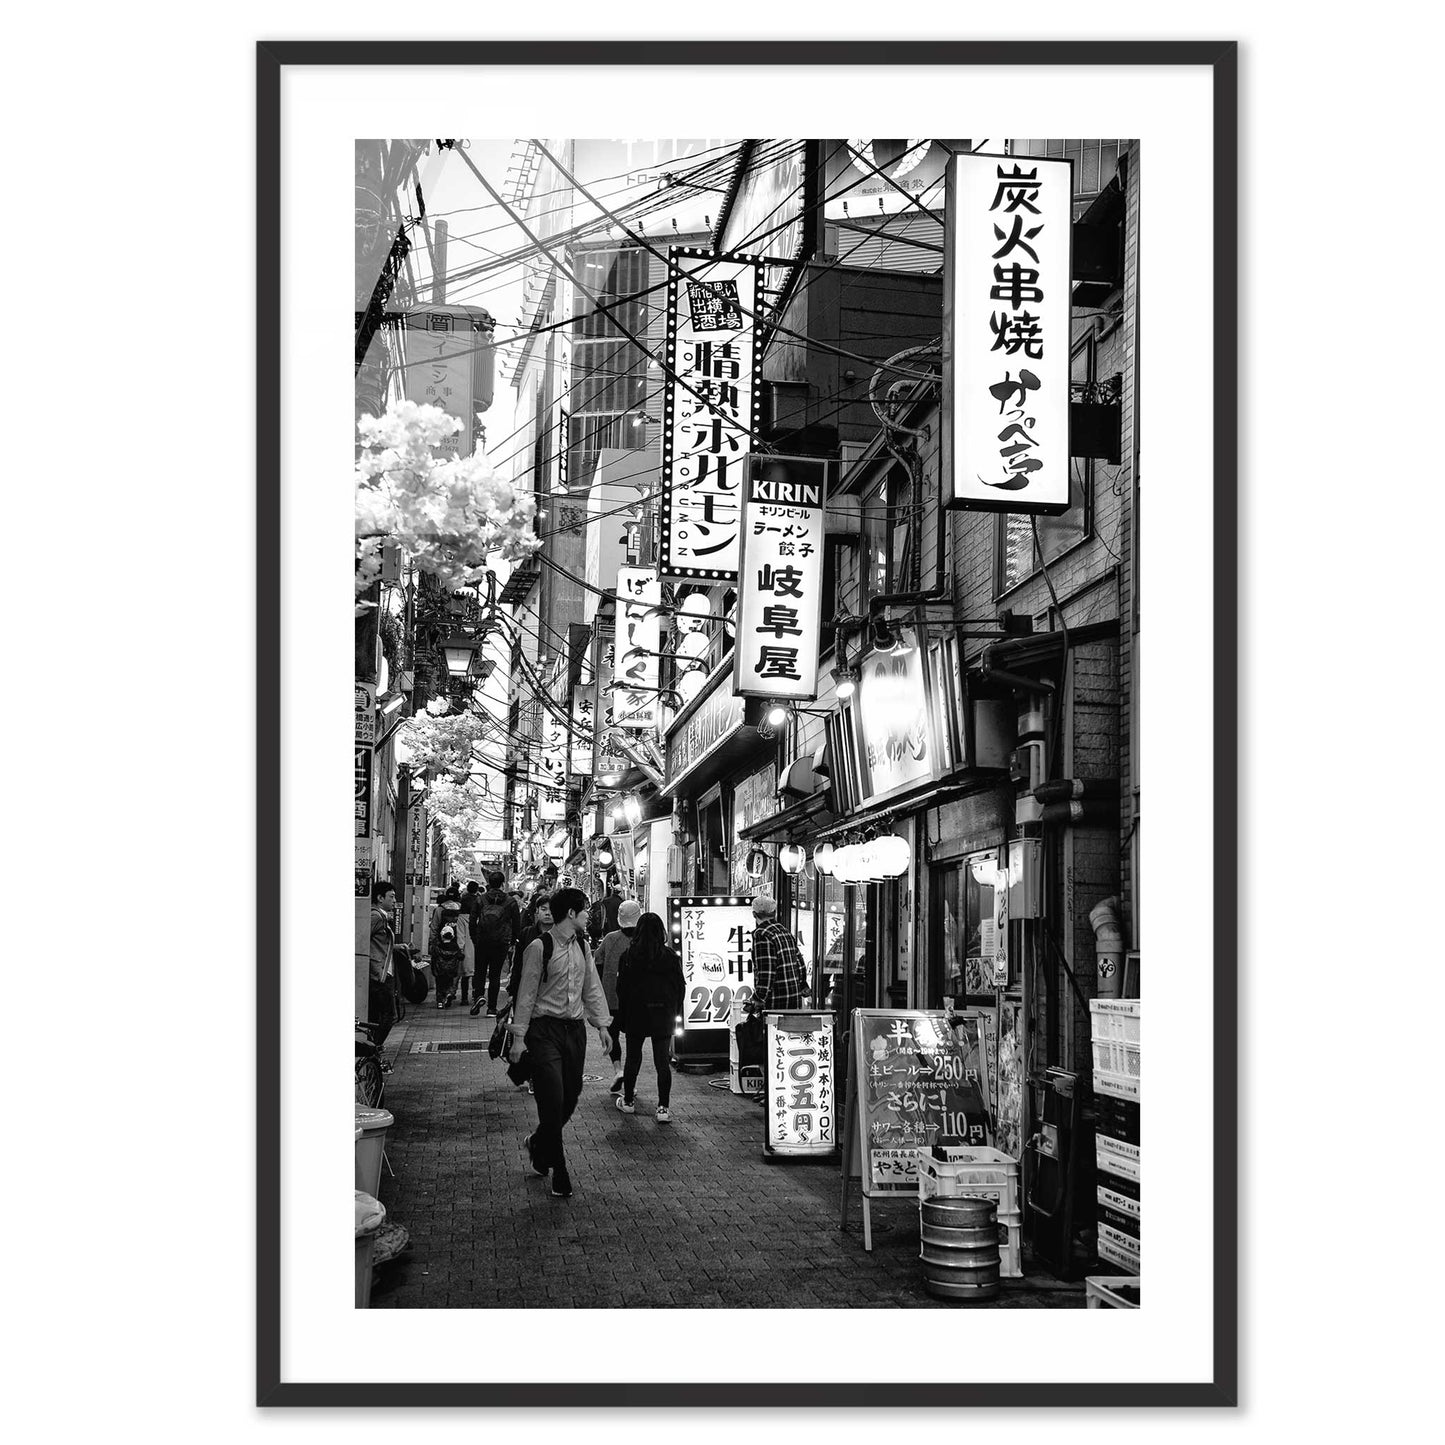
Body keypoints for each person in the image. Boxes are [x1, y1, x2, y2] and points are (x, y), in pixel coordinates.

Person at [507, 887, 611, 1199]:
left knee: (571, 1096)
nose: (588, 915)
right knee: (552, 1100)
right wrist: (518, 1038)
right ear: (571, 913)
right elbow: (525, 995)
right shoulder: (539, 947)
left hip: (574, 1031)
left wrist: (602, 1025)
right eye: (585, 910)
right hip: (543, 1031)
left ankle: (539, 1143)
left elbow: (591, 986)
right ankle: (560, 1171)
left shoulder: (583, 945)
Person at [614, 911, 686, 1123]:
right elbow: (679, 987)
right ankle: (663, 1108)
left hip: (636, 1013)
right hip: (662, 1014)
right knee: (662, 1062)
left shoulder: (628, 956)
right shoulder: (670, 957)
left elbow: (621, 988)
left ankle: (628, 1102)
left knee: (633, 1058)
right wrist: (675, 1011)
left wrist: (624, 1012)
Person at [593, 899, 640, 1093]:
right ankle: (631, 1081)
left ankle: (618, 1070)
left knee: (612, 1036)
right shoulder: (644, 940)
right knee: (634, 1042)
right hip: (635, 1000)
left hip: (611, 997)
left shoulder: (610, 939)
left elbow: (597, 963)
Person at [746, 893, 810, 1015]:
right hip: (794, 997)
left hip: (775, 1001)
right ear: (774, 913)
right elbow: (800, 962)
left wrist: (758, 998)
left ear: (754, 914)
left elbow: (767, 972)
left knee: (772, 1032)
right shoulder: (784, 931)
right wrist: (802, 985)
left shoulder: (762, 934)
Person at [471, 871, 522, 1017]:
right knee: (495, 974)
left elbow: (472, 921)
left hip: (482, 941)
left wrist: (474, 938)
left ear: (489, 882)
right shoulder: (510, 901)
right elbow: (516, 924)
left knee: (479, 971)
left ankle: (479, 996)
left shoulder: (481, 899)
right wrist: (512, 941)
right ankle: (492, 1008)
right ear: (502, 883)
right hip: (501, 942)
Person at [369, 881, 398, 1048]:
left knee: (378, 1016)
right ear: (380, 898)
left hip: (382, 971)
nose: (394, 900)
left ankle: (372, 1051)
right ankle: (373, 1049)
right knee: (388, 1016)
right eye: (391, 897)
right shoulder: (376, 917)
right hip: (379, 974)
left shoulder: (381, 916)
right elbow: (360, 939)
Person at [429, 896, 467, 1009]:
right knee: (452, 977)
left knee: (440, 980)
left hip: (440, 955)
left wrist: (433, 943)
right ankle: (451, 992)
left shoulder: (440, 911)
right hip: (453, 953)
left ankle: (440, 1000)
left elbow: (434, 928)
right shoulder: (459, 914)